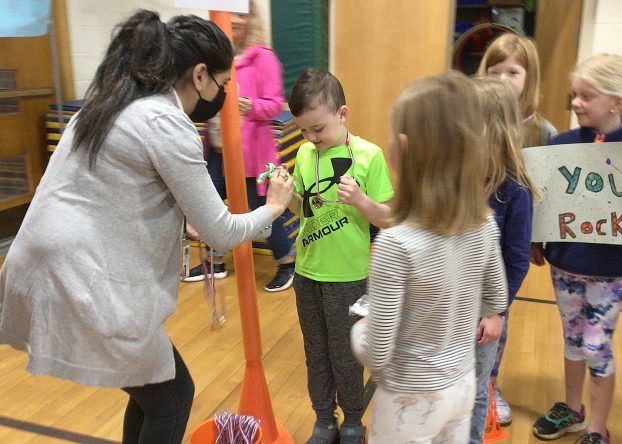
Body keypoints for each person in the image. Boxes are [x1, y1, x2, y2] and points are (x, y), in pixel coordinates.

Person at [0, 10, 294, 444]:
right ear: (198, 76)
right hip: (82, 280)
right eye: (222, 83)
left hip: (43, 267)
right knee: (173, 397)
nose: (224, 94)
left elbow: (111, 193)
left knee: (155, 394)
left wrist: (182, 217)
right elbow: (223, 234)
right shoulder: (165, 122)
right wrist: (272, 208)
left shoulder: (111, 105)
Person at [350, 71, 508, 443]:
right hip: (461, 387)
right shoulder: (484, 225)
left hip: (409, 400)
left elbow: (377, 351)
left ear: (402, 148)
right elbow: (496, 299)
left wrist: (358, 331)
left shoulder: (396, 243)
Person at [531, 53, 622, 443]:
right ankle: (573, 409)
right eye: (574, 94)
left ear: (618, 102)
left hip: (608, 269)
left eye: (586, 96)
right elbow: (548, 201)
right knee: (573, 340)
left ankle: (597, 427)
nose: (575, 103)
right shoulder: (561, 145)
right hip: (565, 264)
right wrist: (537, 240)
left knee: (596, 346)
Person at [287, 68, 394, 444]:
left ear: (343, 114)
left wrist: (361, 201)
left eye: (317, 129)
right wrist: (284, 196)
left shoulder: (369, 156)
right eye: (302, 130)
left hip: (348, 276)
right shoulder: (303, 154)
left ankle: (352, 419)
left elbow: (388, 217)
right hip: (307, 272)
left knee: (345, 352)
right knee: (315, 351)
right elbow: (304, 211)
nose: (311, 138)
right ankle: (322, 418)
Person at [475, 32, 558, 425]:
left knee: (496, 326)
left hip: (513, 246)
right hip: (469, 259)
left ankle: (489, 386)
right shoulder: (471, 121)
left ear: (530, 77)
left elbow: (558, 194)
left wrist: (539, 241)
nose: (504, 79)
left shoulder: (544, 132)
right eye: (495, 71)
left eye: (513, 71)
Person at [183, 1, 294, 292]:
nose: (234, 20)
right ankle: (214, 261)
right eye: (230, 12)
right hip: (218, 150)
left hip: (250, 155)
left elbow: (274, 104)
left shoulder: (263, 58)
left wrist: (251, 107)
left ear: (251, 19)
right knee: (208, 205)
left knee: (259, 206)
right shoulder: (215, 56)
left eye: (242, 14)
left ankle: (287, 261)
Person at [468, 77, 540, 444]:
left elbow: (516, 261)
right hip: (450, 304)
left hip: (485, 310)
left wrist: (495, 312)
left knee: (477, 388)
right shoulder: (456, 178)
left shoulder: (514, 191)